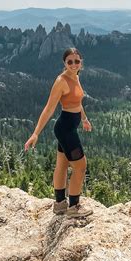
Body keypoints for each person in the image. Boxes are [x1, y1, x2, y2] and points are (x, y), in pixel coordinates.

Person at [24, 47, 93, 218]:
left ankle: (60, 204)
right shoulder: (61, 81)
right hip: (65, 129)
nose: (74, 64)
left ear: (81, 62)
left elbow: (78, 102)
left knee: (62, 164)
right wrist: (36, 133)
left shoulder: (76, 77)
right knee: (80, 166)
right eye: (70, 61)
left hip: (69, 127)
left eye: (77, 61)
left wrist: (84, 119)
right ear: (65, 63)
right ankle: (74, 206)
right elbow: (49, 109)